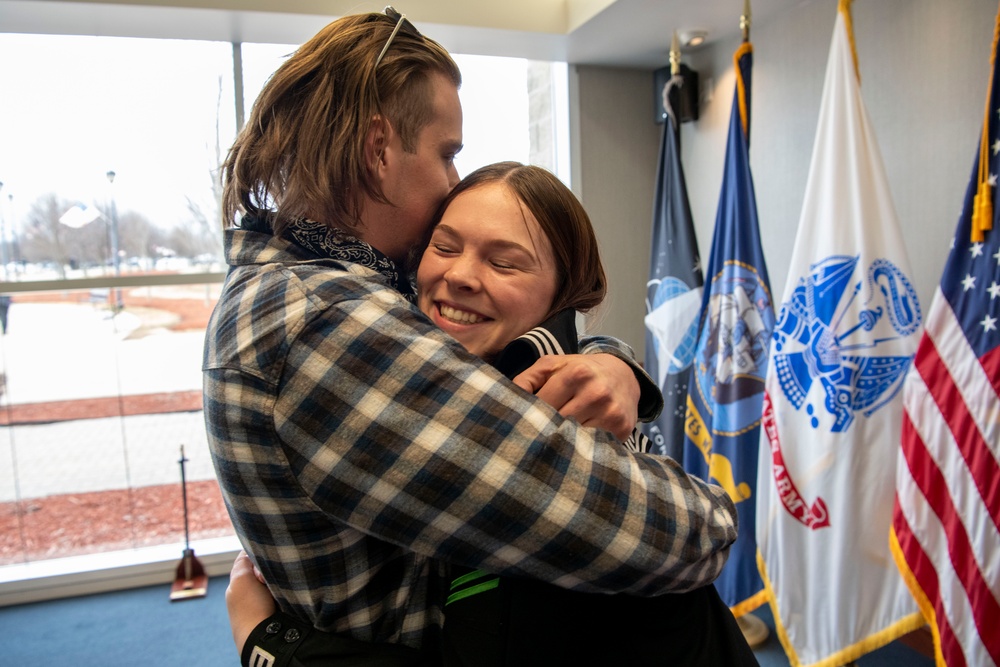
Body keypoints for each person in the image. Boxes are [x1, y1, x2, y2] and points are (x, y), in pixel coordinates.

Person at [205, 8, 738, 665]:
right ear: (378, 147)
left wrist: (613, 361)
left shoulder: (306, 281)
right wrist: (277, 649)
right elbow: (684, 532)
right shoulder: (327, 321)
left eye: (505, 261)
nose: (452, 181)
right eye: (446, 153)